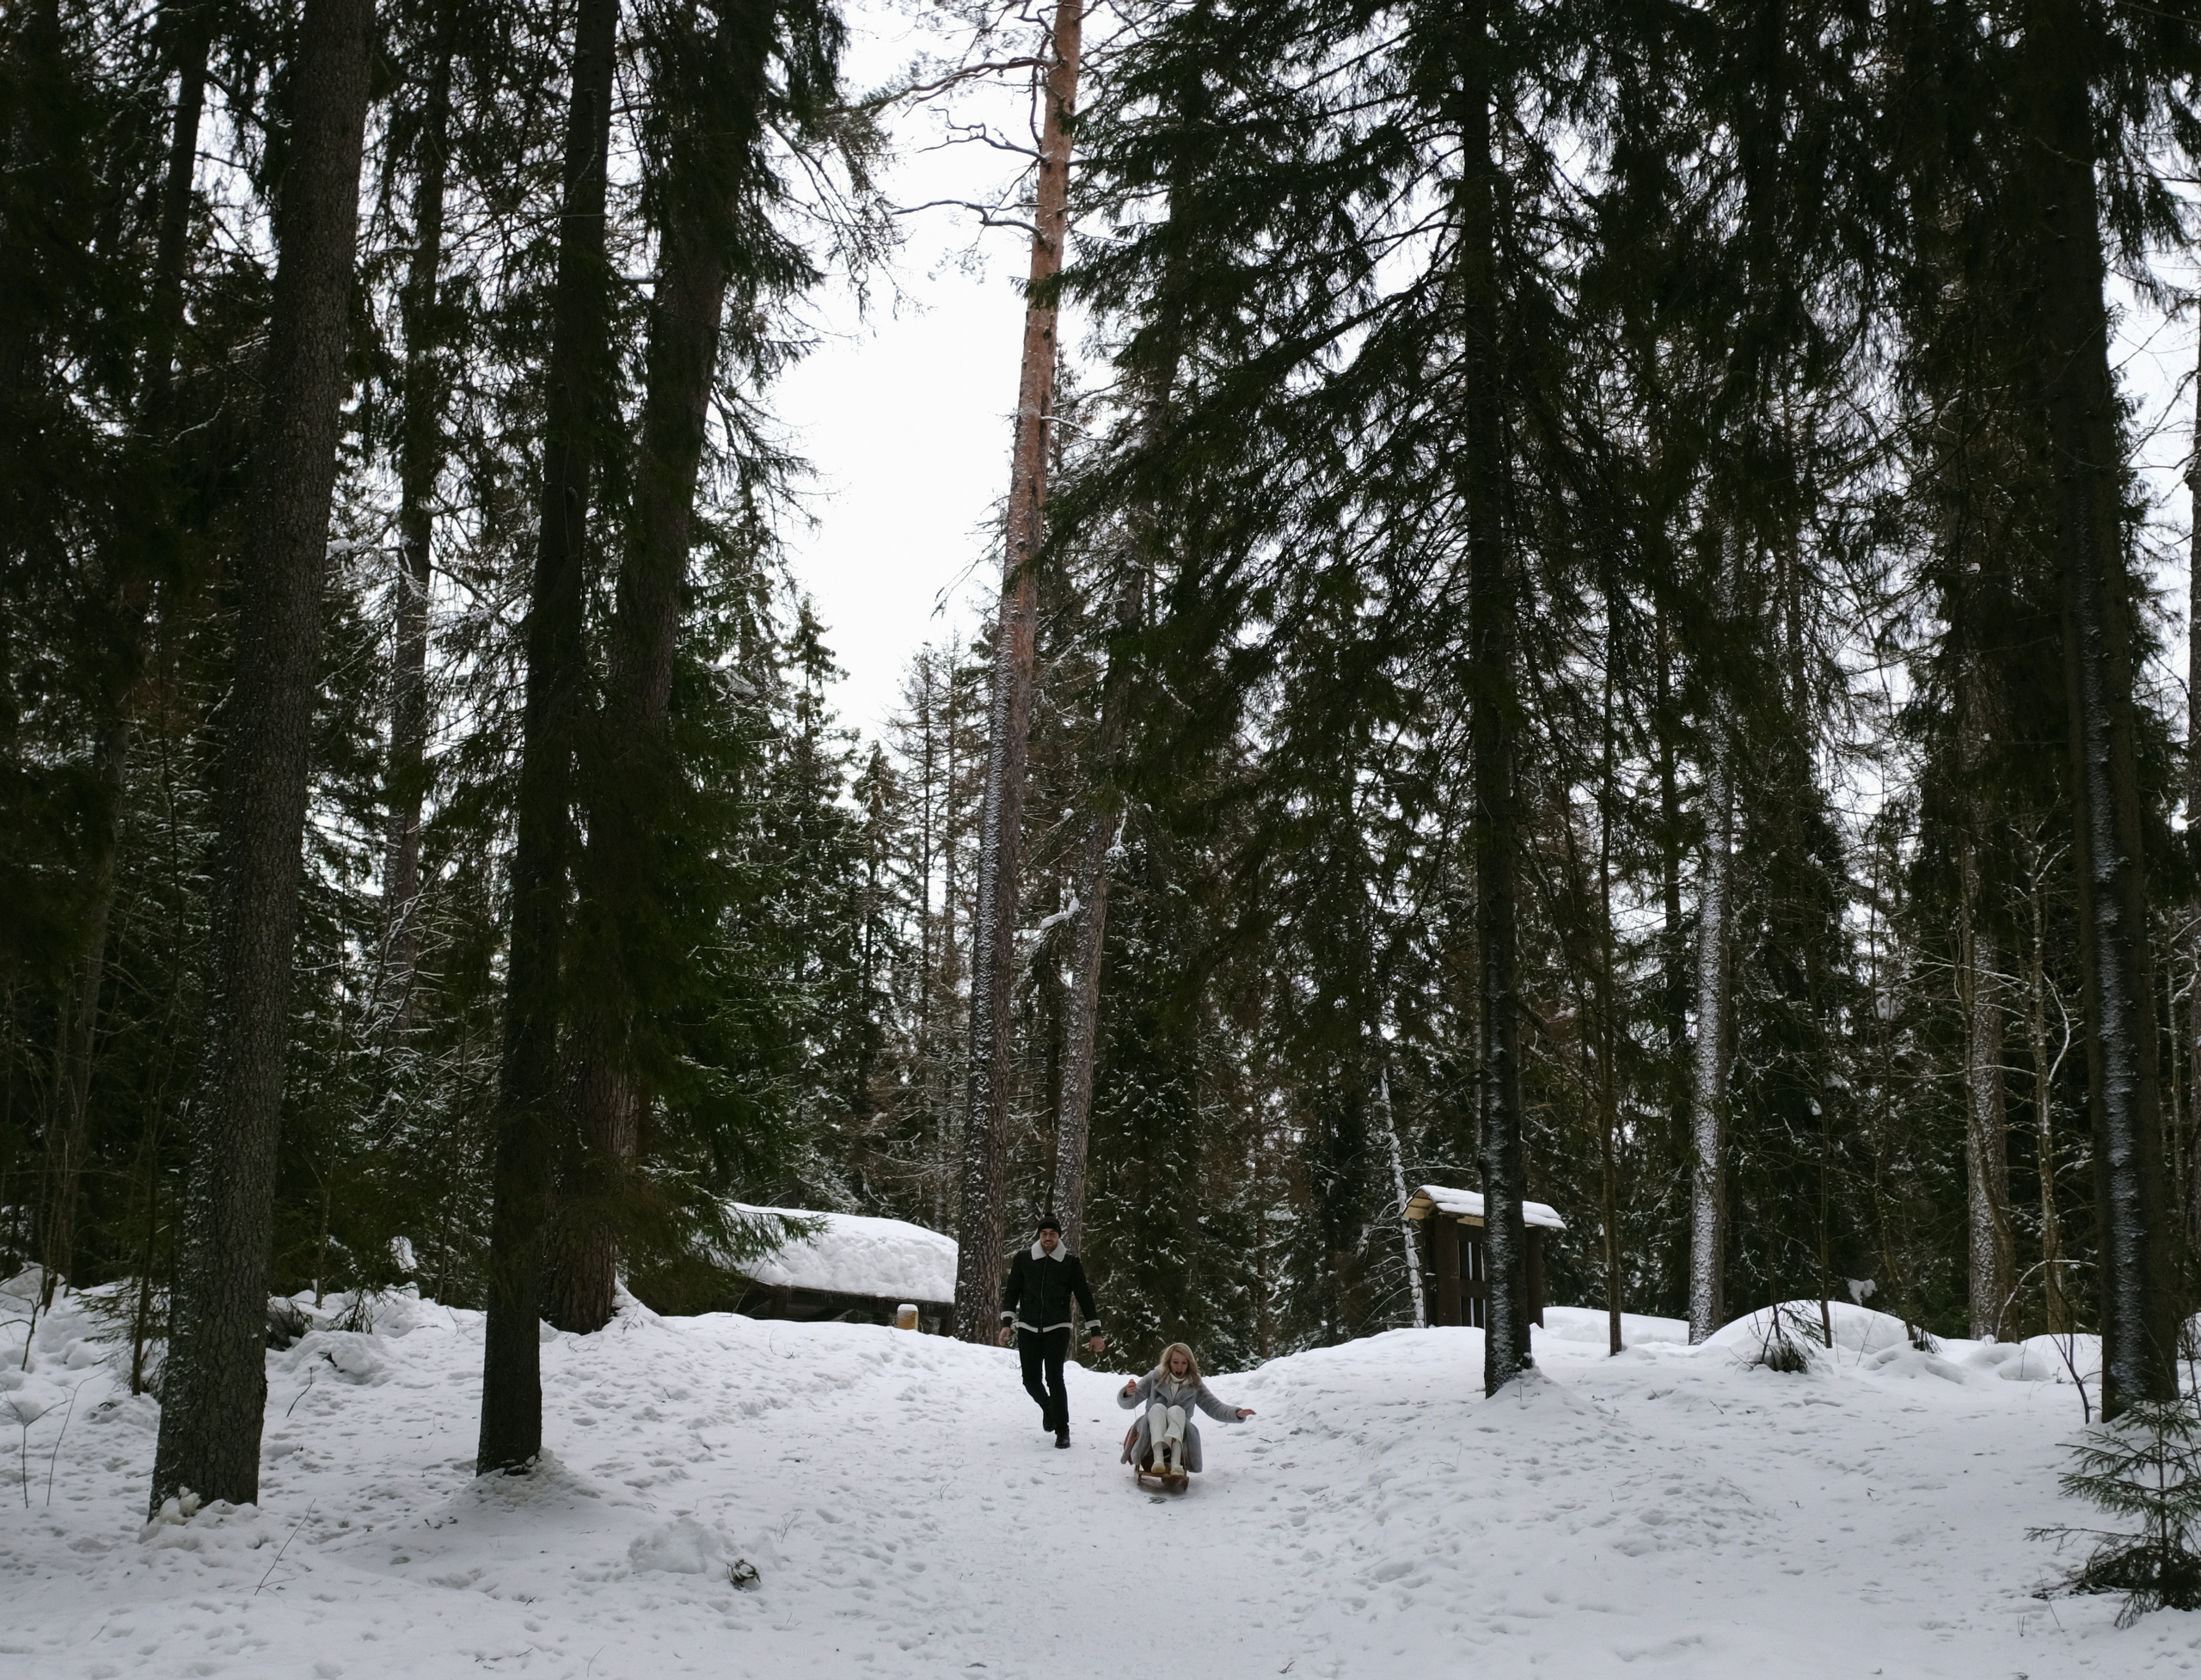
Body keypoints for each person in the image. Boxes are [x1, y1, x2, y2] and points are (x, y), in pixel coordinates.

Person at [998, 1214, 1104, 1448]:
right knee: (1030, 1380)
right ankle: (1048, 1408)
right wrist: (1007, 1323)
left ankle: (1063, 1431)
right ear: (1039, 1235)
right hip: (1027, 1326)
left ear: (1059, 1237)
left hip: (1058, 1327)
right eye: (1044, 1234)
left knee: (1055, 1378)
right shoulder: (1024, 1259)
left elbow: (1085, 1296)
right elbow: (1012, 1291)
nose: (1048, 1238)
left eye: (1052, 1234)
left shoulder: (1070, 1263)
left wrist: (1095, 1331)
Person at [1118, 1342, 1254, 1475]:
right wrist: (1128, 1393)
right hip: (1152, 1429)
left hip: (1179, 1434)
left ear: (1189, 1364)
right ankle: (1158, 1459)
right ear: (1169, 1362)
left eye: (1184, 1363)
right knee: (1158, 1407)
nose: (1179, 1367)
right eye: (1175, 1362)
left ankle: (1176, 1462)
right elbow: (1128, 1403)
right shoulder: (1155, 1376)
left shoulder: (1194, 1383)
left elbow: (1213, 1406)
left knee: (1176, 1410)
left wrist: (1237, 1413)